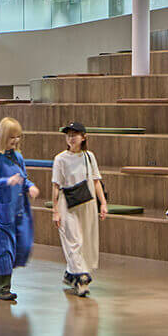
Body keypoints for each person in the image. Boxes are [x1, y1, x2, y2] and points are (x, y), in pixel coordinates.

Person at [0, 116, 38, 302]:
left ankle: (3, 281)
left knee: (18, 247)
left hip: (15, 211)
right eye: (12, 137)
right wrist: (6, 181)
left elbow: (23, 178)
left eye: (18, 137)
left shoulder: (17, 157)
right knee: (2, 250)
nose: (15, 140)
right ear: (3, 136)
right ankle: (2, 288)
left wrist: (30, 186)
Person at [51, 122, 107, 298]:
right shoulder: (60, 159)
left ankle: (70, 274)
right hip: (67, 204)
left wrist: (103, 203)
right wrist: (55, 210)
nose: (71, 138)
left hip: (87, 203)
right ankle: (82, 278)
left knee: (85, 241)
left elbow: (96, 181)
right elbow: (56, 185)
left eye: (74, 134)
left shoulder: (89, 156)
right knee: (74, 241)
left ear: (83, 137)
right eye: (68, 135)